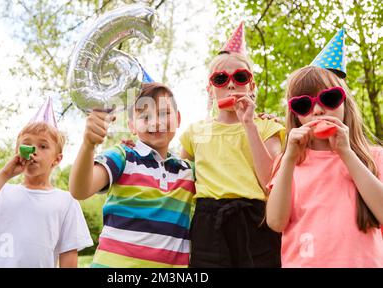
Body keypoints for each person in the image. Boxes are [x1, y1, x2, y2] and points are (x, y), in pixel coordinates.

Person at [266, 28, 383, 267]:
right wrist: (288, 159)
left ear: (345, 104)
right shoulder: (289, 162)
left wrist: (346, 154)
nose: (318, 110)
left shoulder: (372, 157)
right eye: (303, 104)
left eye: (328, 99)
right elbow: (276, 222)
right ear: (295, 115)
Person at [180, 22, 285, 267]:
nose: (230, 84)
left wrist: (249, 124)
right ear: (209, 88)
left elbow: (271, 182)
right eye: (220, 78)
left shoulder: (267, 127)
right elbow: (178, 178)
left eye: (240, 77)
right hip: (209, 223)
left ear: (252, 86)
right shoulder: (195, 132)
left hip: (256, 219)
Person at [69, 82, 196, 268]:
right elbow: (80, 190)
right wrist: (88, 145)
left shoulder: (187, 171)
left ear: (177, 118)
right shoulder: (123, 156)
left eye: (164, 113)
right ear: (131, 126)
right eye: (145, 116)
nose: (156, 122)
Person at [0, 97, 93, 267]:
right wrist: (4, 174)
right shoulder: (1, 192)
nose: (33, 151)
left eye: (43, 146)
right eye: (27, 144)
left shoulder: (67, 202)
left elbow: (68, 259)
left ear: (57, 159)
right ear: (18, 151)